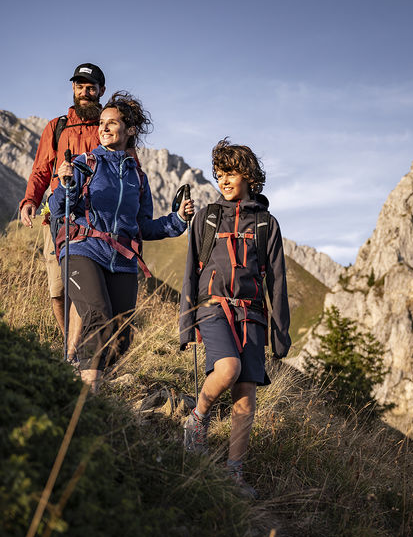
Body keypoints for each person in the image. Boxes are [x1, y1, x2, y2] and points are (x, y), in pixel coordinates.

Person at [50, 91, 193, 390]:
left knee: (123, 337)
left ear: (130, 130)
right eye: (102, 122)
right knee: (97, 316)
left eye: (111, 123)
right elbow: (58, 206)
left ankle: (79, 376)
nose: (103, 128)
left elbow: (142, 226)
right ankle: (87, 398)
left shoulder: (137, 177)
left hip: (122, 260)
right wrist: (67, 184)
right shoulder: (82, 162)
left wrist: (177, 219)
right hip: (82, 249)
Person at [179, 138, 291, 497]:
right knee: (227, 369)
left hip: (253, 315)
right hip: (212, 306)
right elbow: (190, 270)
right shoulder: (207, 217)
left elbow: (277, 281)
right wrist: (186, 324)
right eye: (220, 174)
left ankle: (233, 472)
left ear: (249, 176)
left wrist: (280, 333)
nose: (224, 180)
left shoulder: (266, 224)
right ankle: (196, 420)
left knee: (245, 394)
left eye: (231, 173)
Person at [19, 63, 106, 362]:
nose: (85, 91)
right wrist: (30, 199)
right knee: (58, 290)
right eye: (80, 85)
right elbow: (42, 167)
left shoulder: (108, 126)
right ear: (73, 89)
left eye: (91, 87)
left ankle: (72, 355)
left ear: (100, 91)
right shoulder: (57, 127)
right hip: (56, 215)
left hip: (91, 218)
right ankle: (72, 344)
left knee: (80, 285)